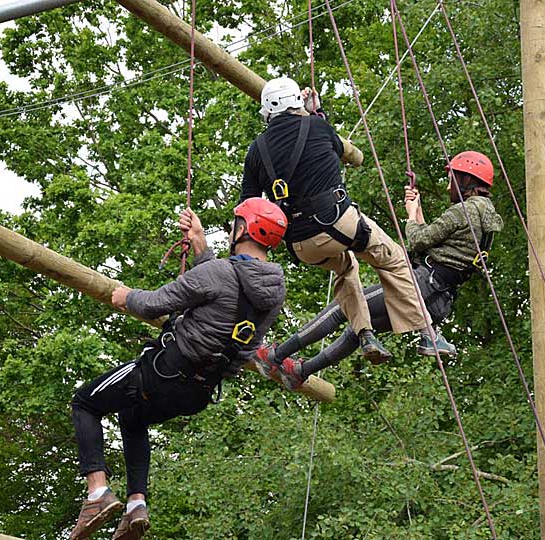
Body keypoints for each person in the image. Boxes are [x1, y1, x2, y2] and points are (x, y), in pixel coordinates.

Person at [67, 199, 287, 540]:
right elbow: (229, 293)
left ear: (243, 229)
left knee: (85, 402)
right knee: (132, 417)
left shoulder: (218, 274)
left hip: (163, 373)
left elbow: (154, 303)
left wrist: (126, 295)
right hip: (198, 392)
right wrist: (200, 245)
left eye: (235, 224)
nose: (231, 229)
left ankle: (97, 492)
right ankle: (135, 505)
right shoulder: (274, 291)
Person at [259, 151, 504, 390]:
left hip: (421, 284)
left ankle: (276, 355)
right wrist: (417, 210)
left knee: (344, 307)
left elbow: (418, 241)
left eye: (452, 179)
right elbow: (438, 243)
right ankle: (301, 372)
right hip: (440, 300)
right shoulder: (487, 217)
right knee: (359, 328)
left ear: (466, 179)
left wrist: (410, 216)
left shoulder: (465, 210)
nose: (449, 185)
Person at [240, 76, 432, 367]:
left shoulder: (256, 151)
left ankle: (365, 332)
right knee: (393, 259)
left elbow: (248, 205)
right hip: (340, 223)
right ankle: (426, 332)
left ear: (267, 111)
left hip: (301, 245)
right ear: (296, 103)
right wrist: (315, 111)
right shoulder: (317, 126)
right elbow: (340, 150)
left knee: (346, 268)